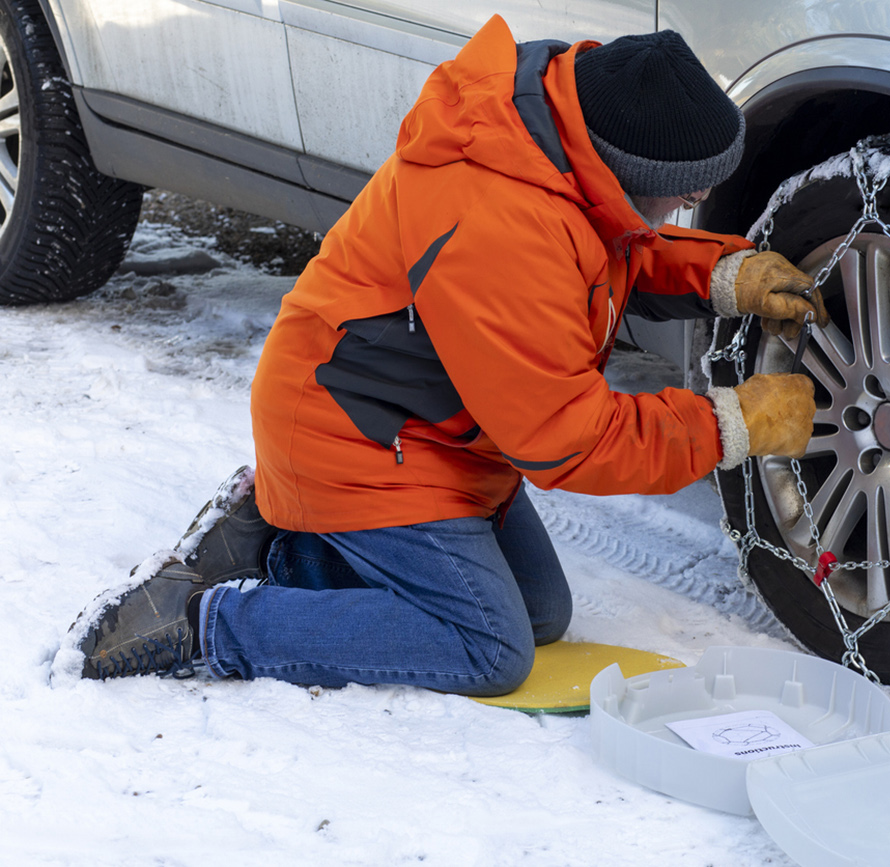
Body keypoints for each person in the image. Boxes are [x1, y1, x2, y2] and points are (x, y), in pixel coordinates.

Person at [72, 15, 827, 694]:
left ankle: (285, 543)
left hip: (434, 432)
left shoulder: (556, 137)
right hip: (356, 439)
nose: (685, 211)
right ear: (625, 173)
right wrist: (733, 424)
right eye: (679, 196)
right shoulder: (502, 224)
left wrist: (725, 275)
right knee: (489, 646)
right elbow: (569, 439)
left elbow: (614, 242)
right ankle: (206, 619)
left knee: (541, 612)